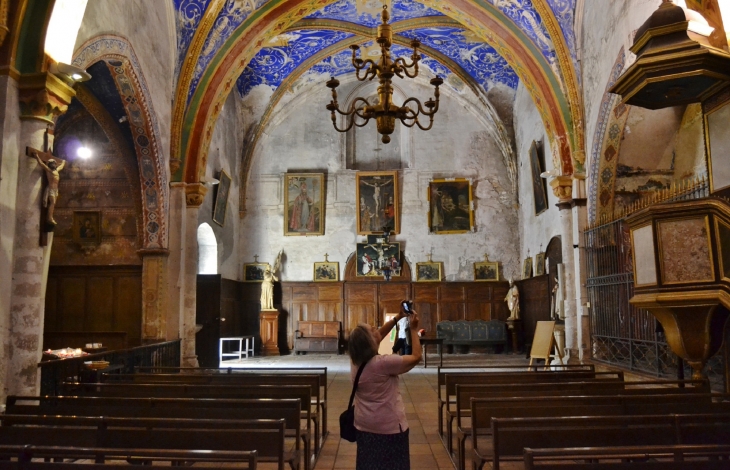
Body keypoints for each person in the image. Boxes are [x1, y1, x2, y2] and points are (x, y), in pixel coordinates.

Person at [348, 307, 422, 470]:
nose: (377, 330)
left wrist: (397, 318)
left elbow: (378, 336)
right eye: (373, 330)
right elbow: (416, 357)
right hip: (389, 428)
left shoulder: (355, 361)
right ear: (369, 342)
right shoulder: (384, 363)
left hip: (364, 426)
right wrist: (414, 330)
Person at [32, 153, 65, 225]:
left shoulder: (56, 170)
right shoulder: (48, 170)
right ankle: (49, 217)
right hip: (51, 189)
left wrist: (63, 162)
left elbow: (61, 166)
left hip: (56, 189)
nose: (53, 164)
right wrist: (37, 156)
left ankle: (50, 216)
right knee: (52, 203)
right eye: (51, 163)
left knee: (54, 203)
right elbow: (41, 164)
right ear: (49, 164)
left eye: (54, 163)